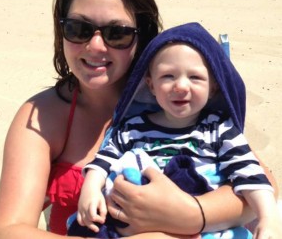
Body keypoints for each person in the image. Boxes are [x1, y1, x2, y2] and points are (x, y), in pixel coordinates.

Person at [0, 0, 278, 239]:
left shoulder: (173, 97)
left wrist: (193, 214)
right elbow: (8, 229)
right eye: (79, 29)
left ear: (141, 37)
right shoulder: (43, 116)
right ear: (61, 32)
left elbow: (266, 184)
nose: (95, 46)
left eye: (116, 33)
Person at [75, 23, 281, 238]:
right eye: (168, 76)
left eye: (195, 77)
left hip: (202, 226)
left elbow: (249, 173)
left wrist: (268, 218)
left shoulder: (218, 129)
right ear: (151, 85)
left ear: (214, 87)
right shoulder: (132, 127)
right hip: (136, 223)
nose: (181, 86)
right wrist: (90, 189)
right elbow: (103, 160)